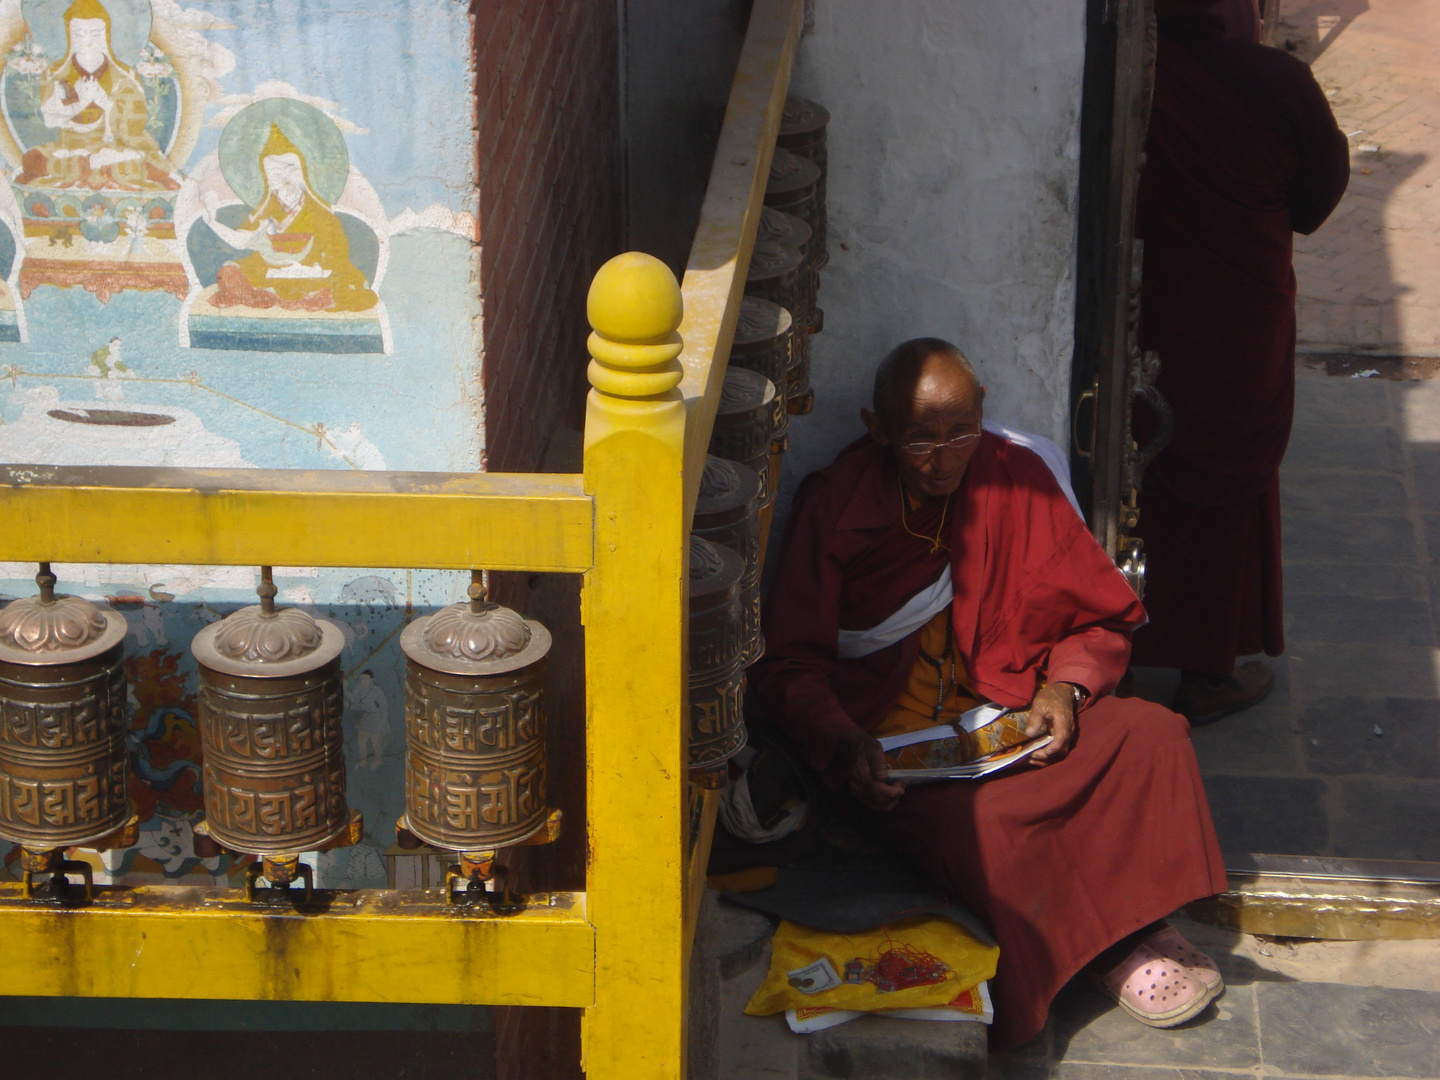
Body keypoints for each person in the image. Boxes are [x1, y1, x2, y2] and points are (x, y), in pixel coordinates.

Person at [754, 339, 1228, 1051]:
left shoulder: (1014, 479)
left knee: (1152, 735)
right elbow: (791, 662)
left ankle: (1128, 926)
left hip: (1013, 715)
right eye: (920, 440)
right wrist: (848, 742)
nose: (945, 458)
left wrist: (1065, 687)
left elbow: (1096, 616)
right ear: (877, 428)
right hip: (897, 751)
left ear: (984, 419)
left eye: (962, 433)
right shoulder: (838, 505)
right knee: (989, 832)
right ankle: (1111, 948)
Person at [1130, 0, 1350, 722]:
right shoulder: (1277, 80)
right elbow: (1317, 198)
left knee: (1137, 460)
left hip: (1145, 309)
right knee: (1231, 470)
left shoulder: (1127, 77)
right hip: (1240, 317)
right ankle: (1207, 667)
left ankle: (1111, 648)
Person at [207, 124, 378, 313]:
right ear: (267, 176)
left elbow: (336, 253)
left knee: (342, 279)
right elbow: (242, 240)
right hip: (267, 271)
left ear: (303, 172)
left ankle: (295, 298)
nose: (284, 177)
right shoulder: (264, 211)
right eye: (275, 171)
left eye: (291, 168)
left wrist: (318, 267)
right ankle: (271, 297)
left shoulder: (320, 213)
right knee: (229, 272)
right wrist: (212, 222)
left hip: (312, 272)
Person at [15, 0, 180, 192]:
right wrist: (81, 102)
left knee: (146, 165)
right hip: (70, 147)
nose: (87, 41)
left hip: (116, 149)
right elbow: (51, 120)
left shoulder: (125, 75)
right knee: (33, 160)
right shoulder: (55, 73)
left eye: (95, 33)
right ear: (68, 35)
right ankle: (90, 166)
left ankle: (92, 167)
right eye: (78, 34)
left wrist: (105, 102)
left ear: (106, 34)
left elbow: (135, 126)